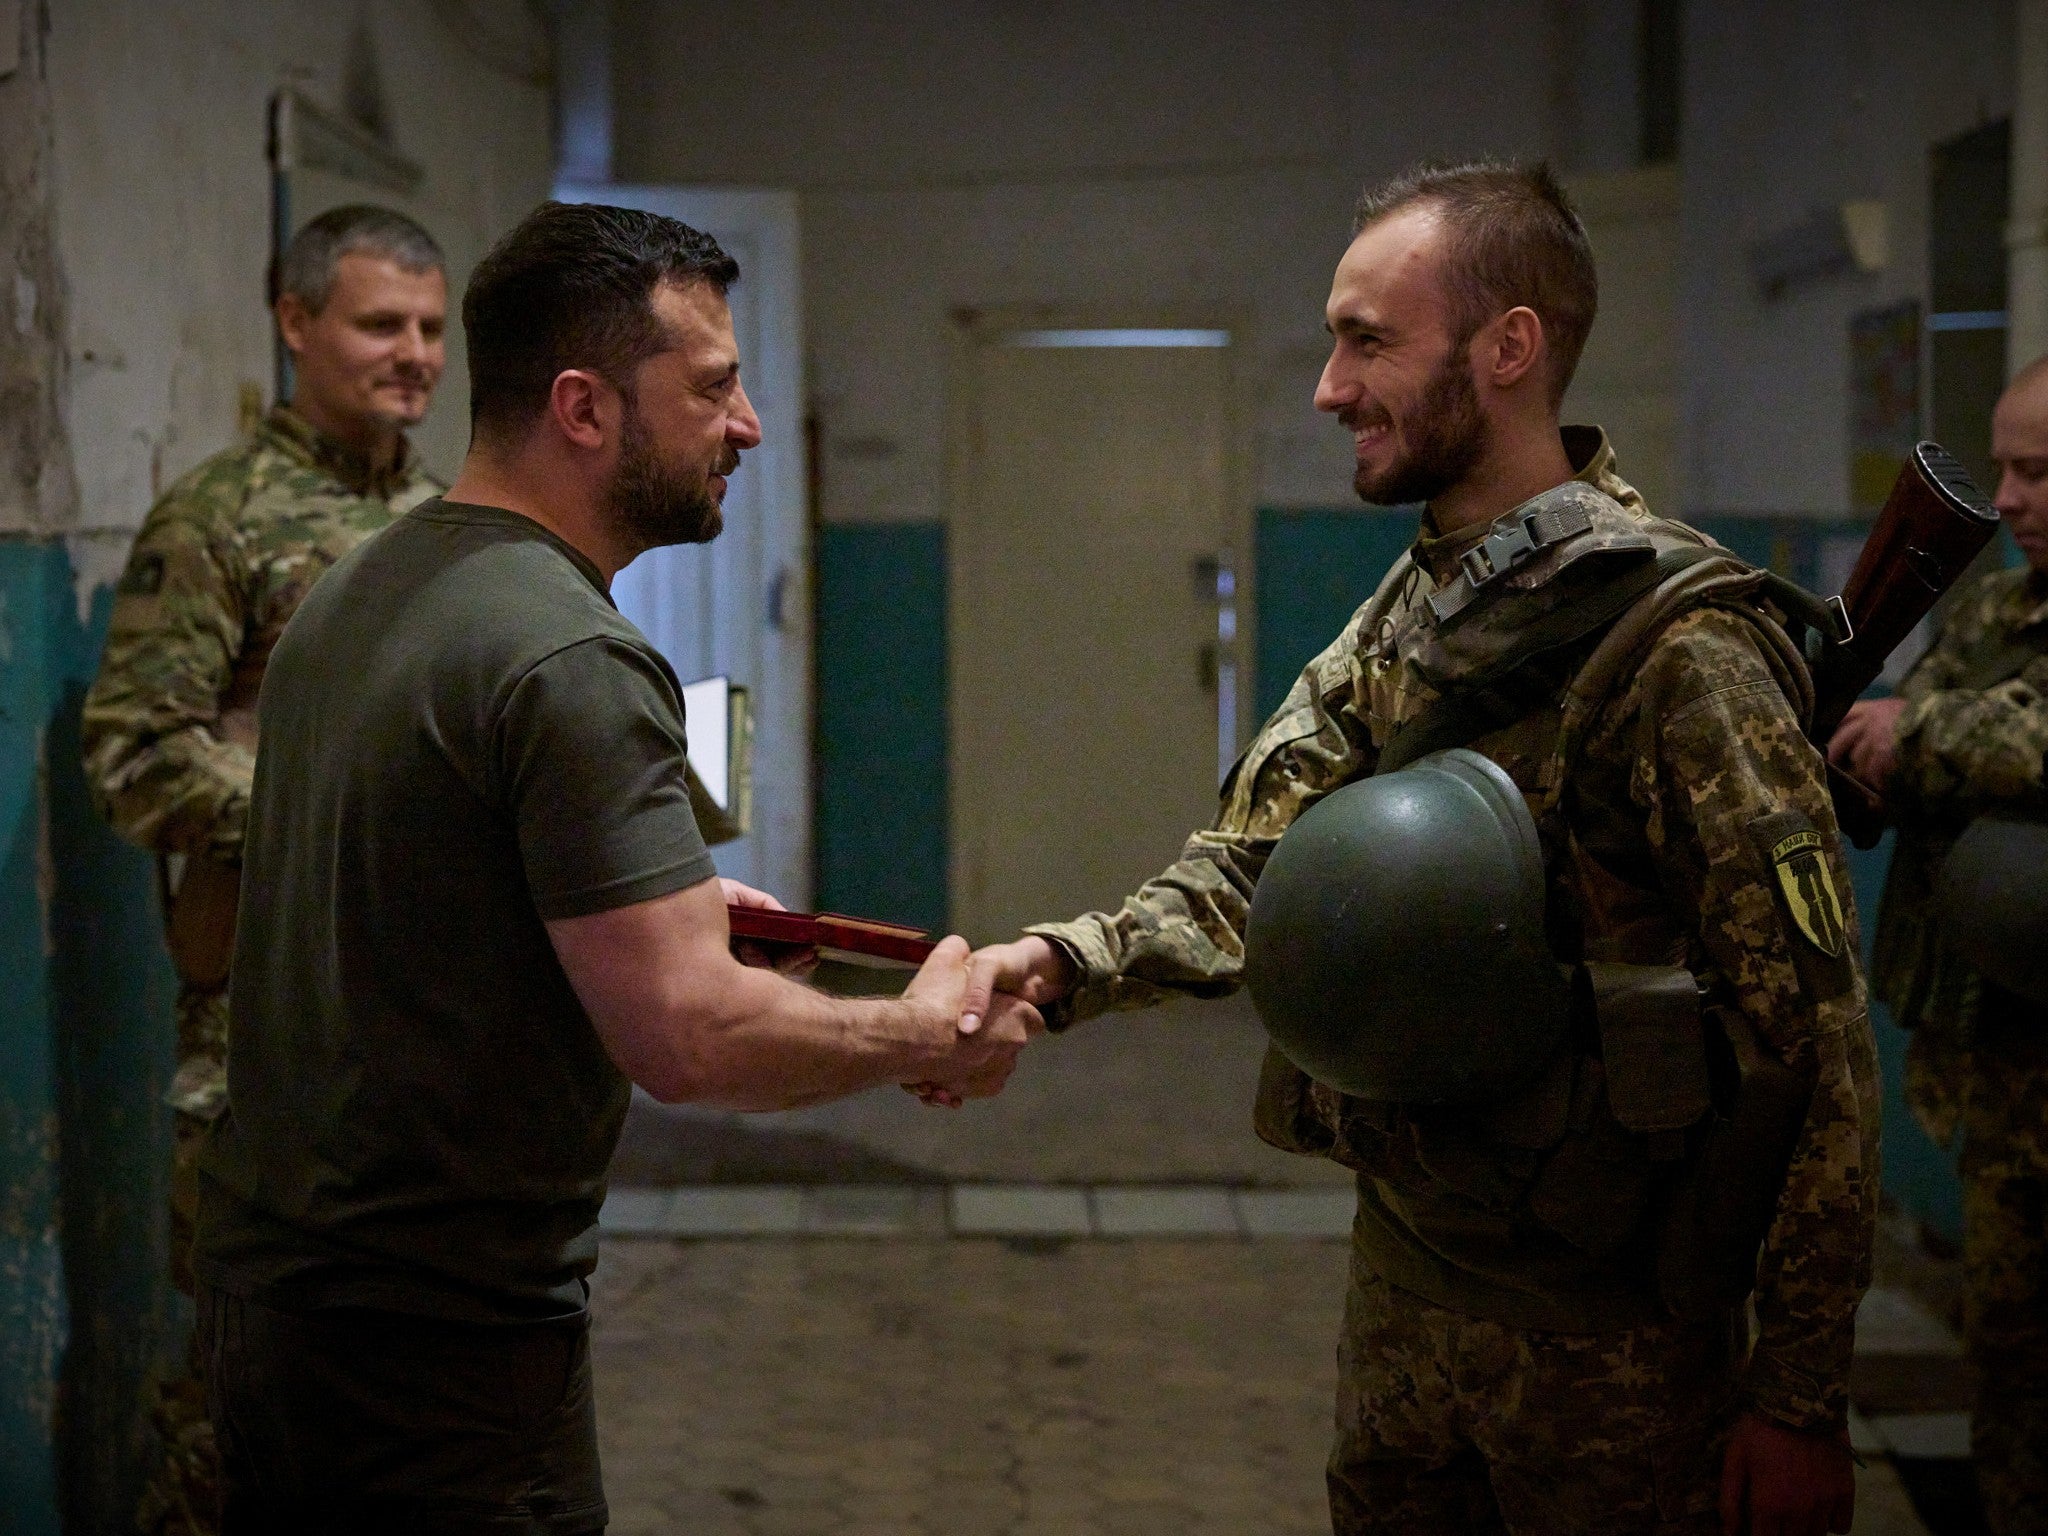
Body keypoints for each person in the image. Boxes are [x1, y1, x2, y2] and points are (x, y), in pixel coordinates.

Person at [961, 161, 1877, 1536]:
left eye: (1367, 341)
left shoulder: (1684, 646)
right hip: (1407, 1297)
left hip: (1614, 1354)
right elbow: (1255, 865)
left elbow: (1815, 1042)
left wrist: (1800, 1396)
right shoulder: (1424, 605)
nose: (1330, 387)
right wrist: (1054, 965)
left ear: (1508, 348)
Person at [187, 200, 1037, 1533]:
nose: (748, 425)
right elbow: (689, 1038)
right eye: (712, 389)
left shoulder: (358, 593)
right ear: (584, 408)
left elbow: (427, 899)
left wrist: (660, 906)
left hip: (282, 1312)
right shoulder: (571, 657)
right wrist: (920, 1033)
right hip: (440, 1355)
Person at [80, 202, 449, 1536]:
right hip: (259, 1045)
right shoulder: (220, 517)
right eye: (377, 324)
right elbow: (130, 755)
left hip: (415, 1031)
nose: (412, 355)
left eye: (429, 328)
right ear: (294, 324)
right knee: (242, 1412)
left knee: (392, 1405)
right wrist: (340, 806)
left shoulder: (445, 522)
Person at [1829, 355, 2048, 1535]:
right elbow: (1899, 734)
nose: (2005, 499)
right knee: (2011, 1364)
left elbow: (1995, 738)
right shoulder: (1998, 606)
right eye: (2003, 465)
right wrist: (1856, 750)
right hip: (2001, 1059)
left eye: (2036, 470)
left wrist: (1909, 737)